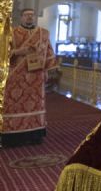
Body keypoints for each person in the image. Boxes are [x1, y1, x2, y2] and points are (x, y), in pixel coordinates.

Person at [1, 8, 56, 147]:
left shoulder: (43, 33)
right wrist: (19, 51)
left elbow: (49, 52)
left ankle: (35, 135)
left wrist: (47, 70)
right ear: (21, 17)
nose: (29, 17)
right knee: (13, 105)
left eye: (32, 15)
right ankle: (12, 136)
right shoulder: (12, 33)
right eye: (26, 15)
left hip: (36, 75)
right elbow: (3, 53)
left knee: (36, 104)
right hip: (16, 76)